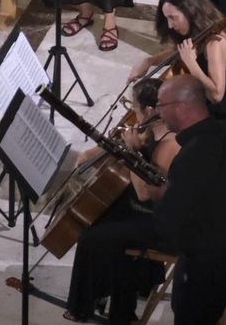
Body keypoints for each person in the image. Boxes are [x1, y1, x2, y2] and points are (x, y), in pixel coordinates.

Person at [149, 75, 226, 323]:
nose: (157, 112)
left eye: (161, 106)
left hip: (204, 264)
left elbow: (166, 224)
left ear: (182, 107)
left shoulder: (189, 158)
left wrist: (160, 195)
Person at [63, 79, 177, 324]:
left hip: (159, 220)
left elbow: (145, 193)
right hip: (141, 209)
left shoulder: (170, 144)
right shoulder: (151, 128)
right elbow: (105, 152)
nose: (132, 113)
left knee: (92, 236)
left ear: (149, 110)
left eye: (134, 107)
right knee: (95, 216)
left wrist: (132, 152)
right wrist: (92, 154)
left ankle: (86, 303)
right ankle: (114, 301)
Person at [127, 0, 226, 123]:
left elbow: (217, 96)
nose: (169, 25)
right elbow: (179, 50)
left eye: (173, 18)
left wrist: (191, 63)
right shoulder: (198, 32)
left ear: (192, 13)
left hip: (225, 115)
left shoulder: (215, 43)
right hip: (204, 101)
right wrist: (149, 61)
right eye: (167, 18)